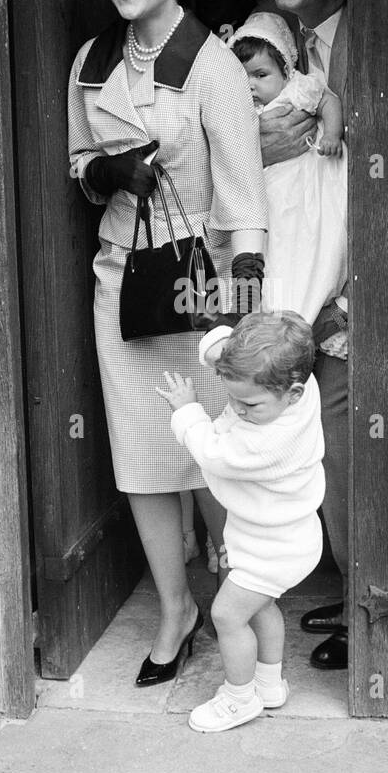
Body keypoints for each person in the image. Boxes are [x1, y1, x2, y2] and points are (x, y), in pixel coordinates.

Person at [68, 0, 268, 687]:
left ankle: (240, 602)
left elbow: (246, 198)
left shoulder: (212, 64)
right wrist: (107, 172)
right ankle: (175, 609)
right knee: (147, 458)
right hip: (123, 280)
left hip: (201, 281)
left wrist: (242, 311)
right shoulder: (91, 62)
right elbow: (78, 169)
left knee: (217, 456)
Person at [249, 0, 350, 670]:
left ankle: (370, 603)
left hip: (357, 271)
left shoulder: (368, 39)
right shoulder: (262, 45)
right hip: (292, 267)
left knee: (351, 437)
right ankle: (329, 589)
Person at [157, 313, 325, 731]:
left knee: (228, 615)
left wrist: (188, 410)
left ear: (293, 391)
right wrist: (220, 351)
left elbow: (213, 453)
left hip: (276, 546)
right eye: (231, 398)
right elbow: (223, 347)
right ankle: (268, 685)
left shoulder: (266, 440)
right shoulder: (296, 385)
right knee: (261, 607)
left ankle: (238, 698)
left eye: (249, 404)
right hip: (278, 536)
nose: (237, 409)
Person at [227, 10, 346, 326]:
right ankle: (273, 312)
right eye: (242, 76)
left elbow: (328, 101)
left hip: (304, 184)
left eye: (261, 75)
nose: (250, 84)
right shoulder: (236, 106)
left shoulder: (297, 89)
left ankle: (311, 305)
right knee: (272, 248)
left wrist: (333, 134)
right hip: (269, 194)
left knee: (310, 239)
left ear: (286, 71)